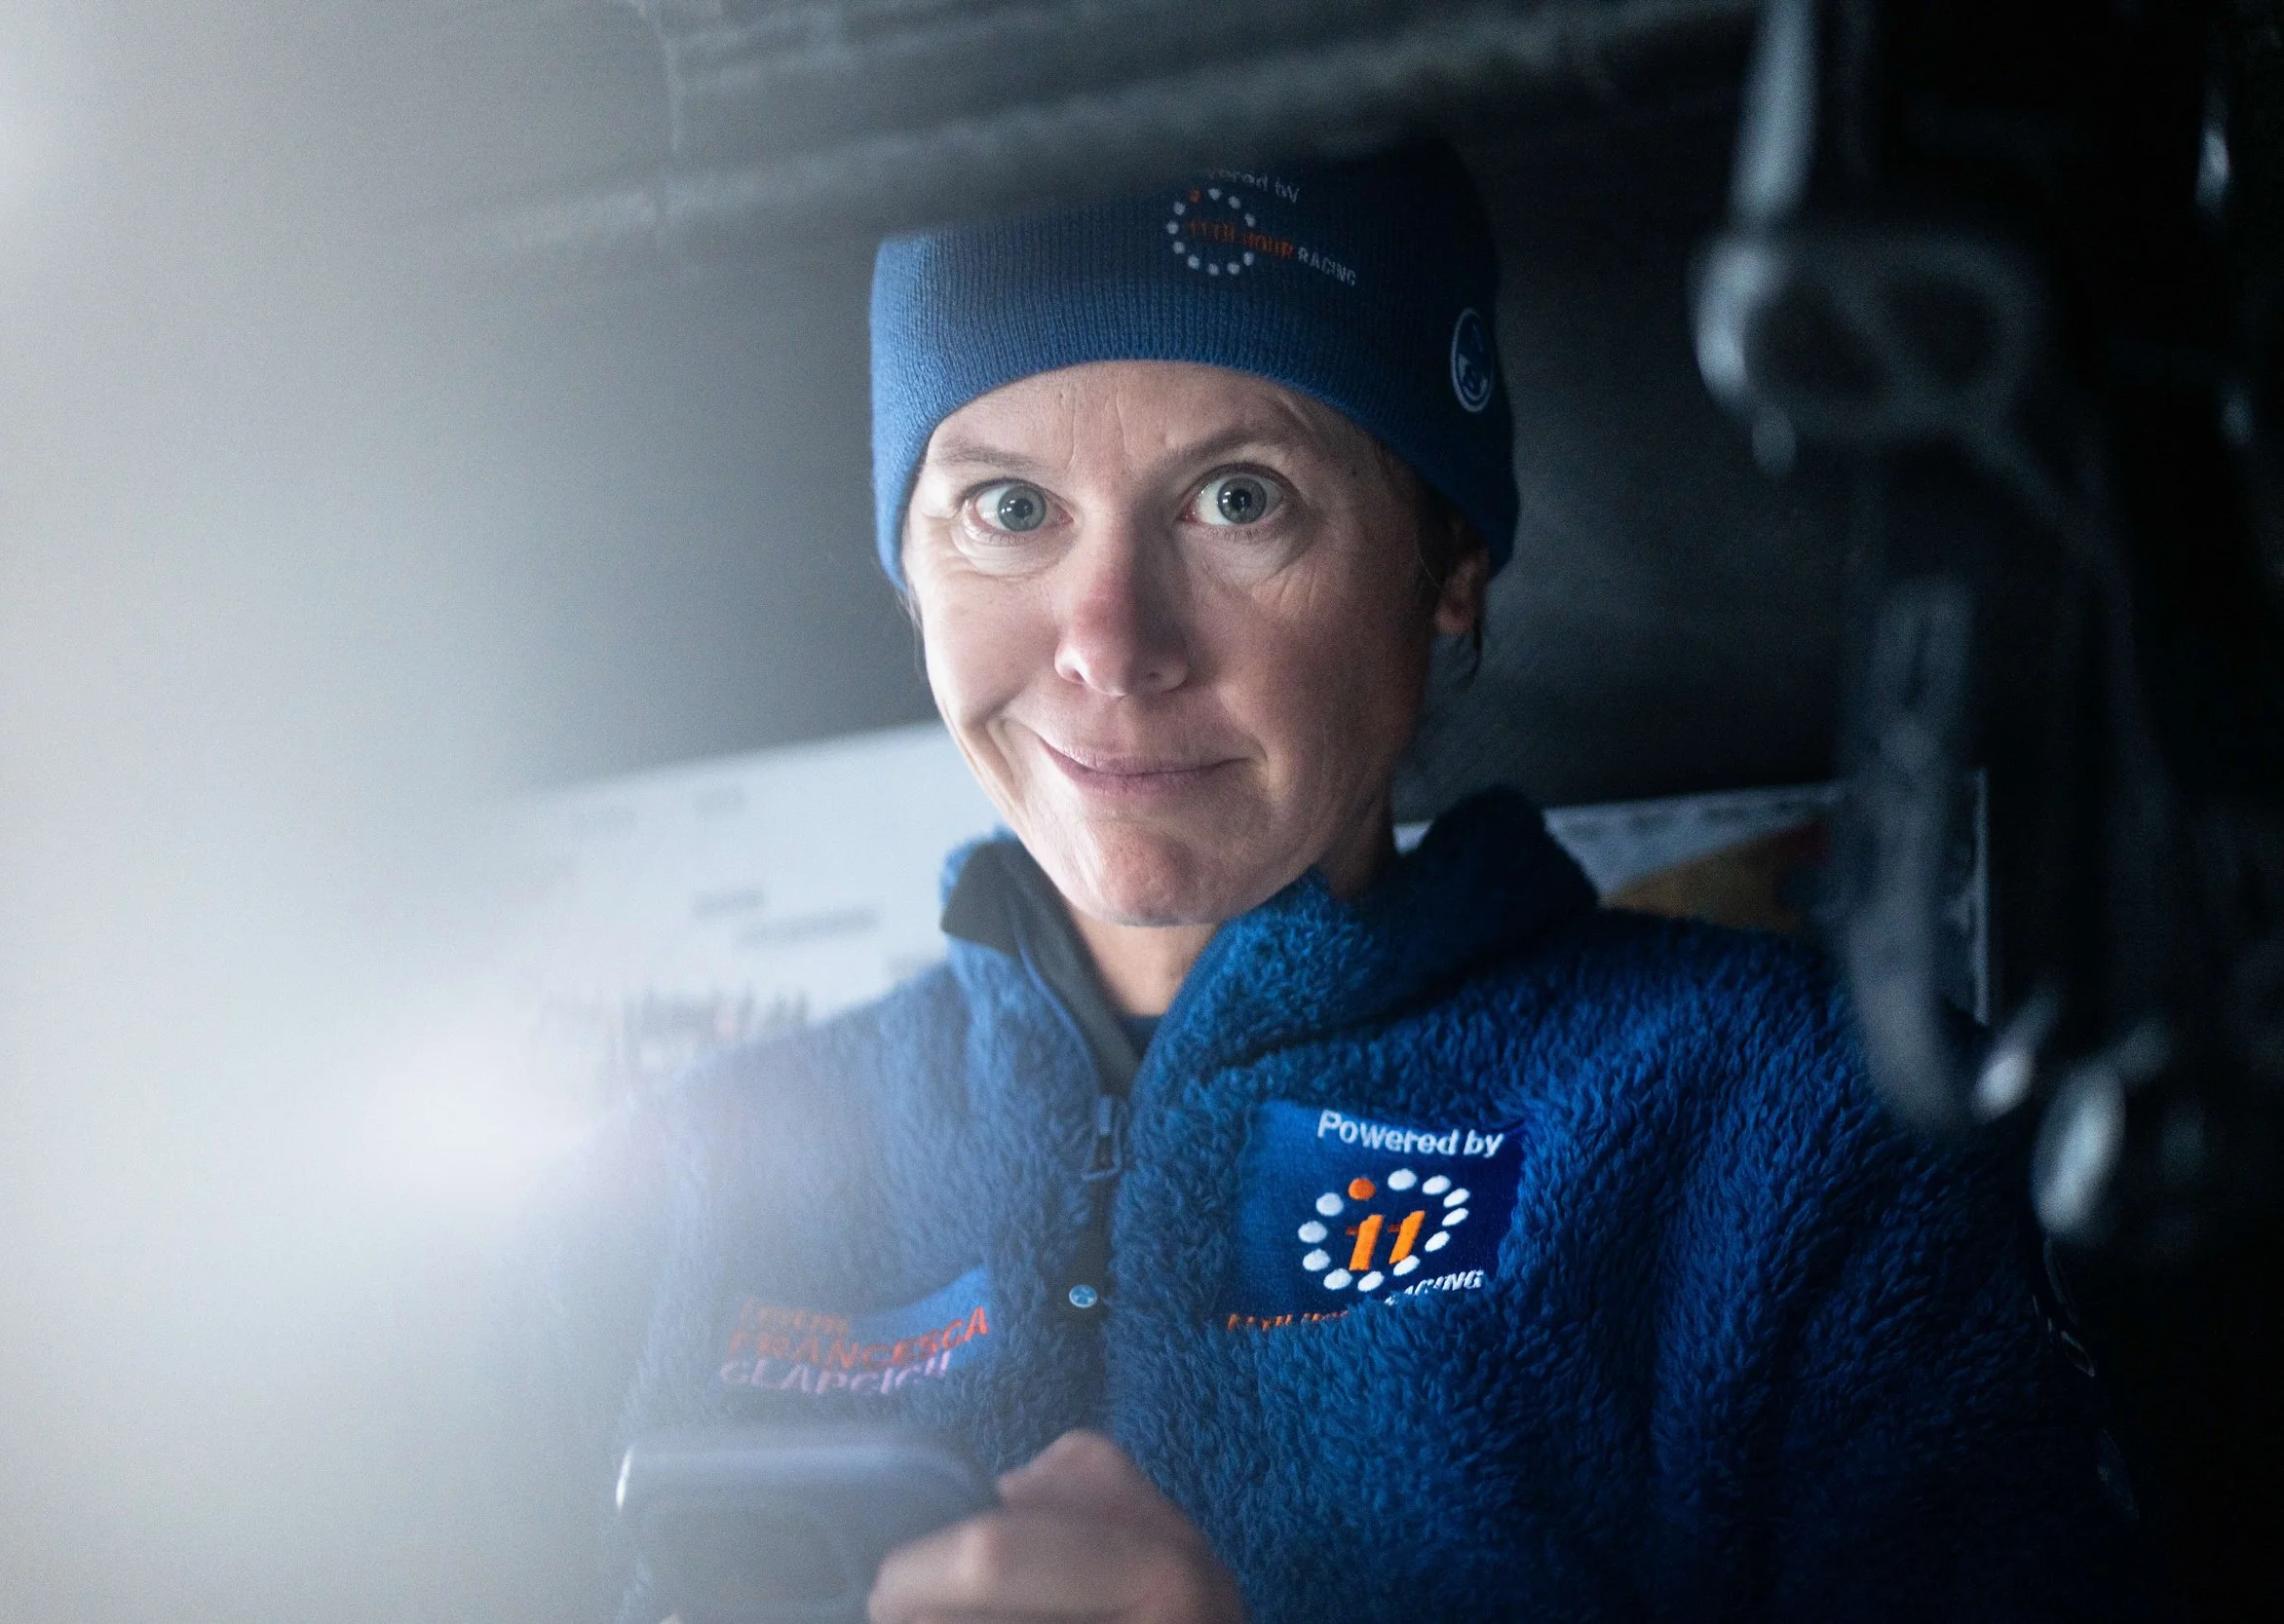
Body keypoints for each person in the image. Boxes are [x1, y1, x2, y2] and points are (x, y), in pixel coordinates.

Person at [529, 141, 2151, 1623]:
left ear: (1448, 570)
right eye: (1008, 509)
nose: (1110, 642)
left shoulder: (1806, 1133)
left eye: (1240, 498)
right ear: (910, 567)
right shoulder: (669, 1185)